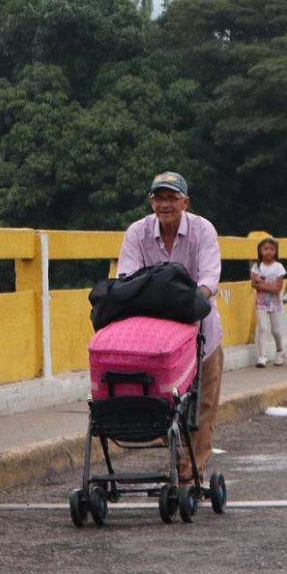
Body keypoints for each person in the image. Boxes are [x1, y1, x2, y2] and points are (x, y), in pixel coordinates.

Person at [117, 171, 223, 483]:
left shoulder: (203, 230)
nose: (165, 204)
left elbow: (208, 280)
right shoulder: (137, 232)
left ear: (185, 202)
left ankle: (194, 467)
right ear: (151, 201)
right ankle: (180, 461)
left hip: (201, 329)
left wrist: (183, 301)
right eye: (159, 198)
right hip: (158, 336)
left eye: (172, 198)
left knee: (203, 403)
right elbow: (126, 277)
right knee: (162, 399)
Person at [250, 238, 287, 367]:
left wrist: (262, 284)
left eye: (272, 249)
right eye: (265, 249)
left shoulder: (279, 267)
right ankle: (262, 356)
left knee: (276, 330)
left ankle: (280, 351)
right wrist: (265, 285)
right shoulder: (257, 267)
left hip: (275, 304)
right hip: (261, 303)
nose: (269, 252)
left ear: (276, 251)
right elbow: (253, 284)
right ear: (260, 251)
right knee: (263, 328)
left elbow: (277, 289)